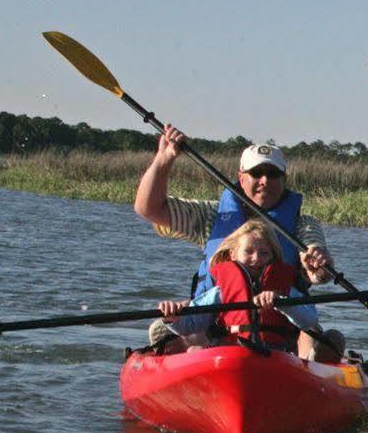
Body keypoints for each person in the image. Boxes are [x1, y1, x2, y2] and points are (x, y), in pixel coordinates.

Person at [136, 128, 341, 358]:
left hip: (283, 330)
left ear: (284, 179)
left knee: (320, 337)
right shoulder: (211, 215)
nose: (265, 181)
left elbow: (318, 270)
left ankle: (311, 367)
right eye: (257, 173)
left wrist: (317, 264)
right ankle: (192, 358)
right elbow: (149, 209)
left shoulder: (302, 224)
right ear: (241, 177)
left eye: (273, 174)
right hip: (217, 325)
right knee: (167, 329)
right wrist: (163, 160)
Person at [158, 222, 327, 362]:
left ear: (272, 258)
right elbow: (190, 325)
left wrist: (281, 303)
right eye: (248, 251)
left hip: (275, 358)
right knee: (195, 350)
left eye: (264, 253)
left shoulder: (285, 290)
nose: (256, 258)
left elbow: (309, 319)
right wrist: (173, 317)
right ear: (232, 255)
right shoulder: (220, 292)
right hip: (229, 358)